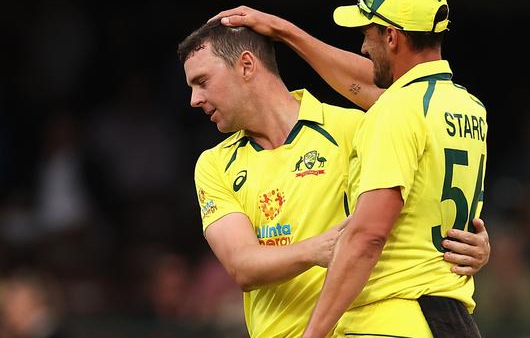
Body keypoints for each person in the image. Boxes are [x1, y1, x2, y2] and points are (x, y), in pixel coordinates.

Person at [178, 17, 488, 337]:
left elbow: (404, 91)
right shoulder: (214, 164)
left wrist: (467, 233)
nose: (195, 99)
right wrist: (317, 249)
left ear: (246, 65)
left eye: (202, 81)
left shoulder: (352, 129)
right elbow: (242, 265)